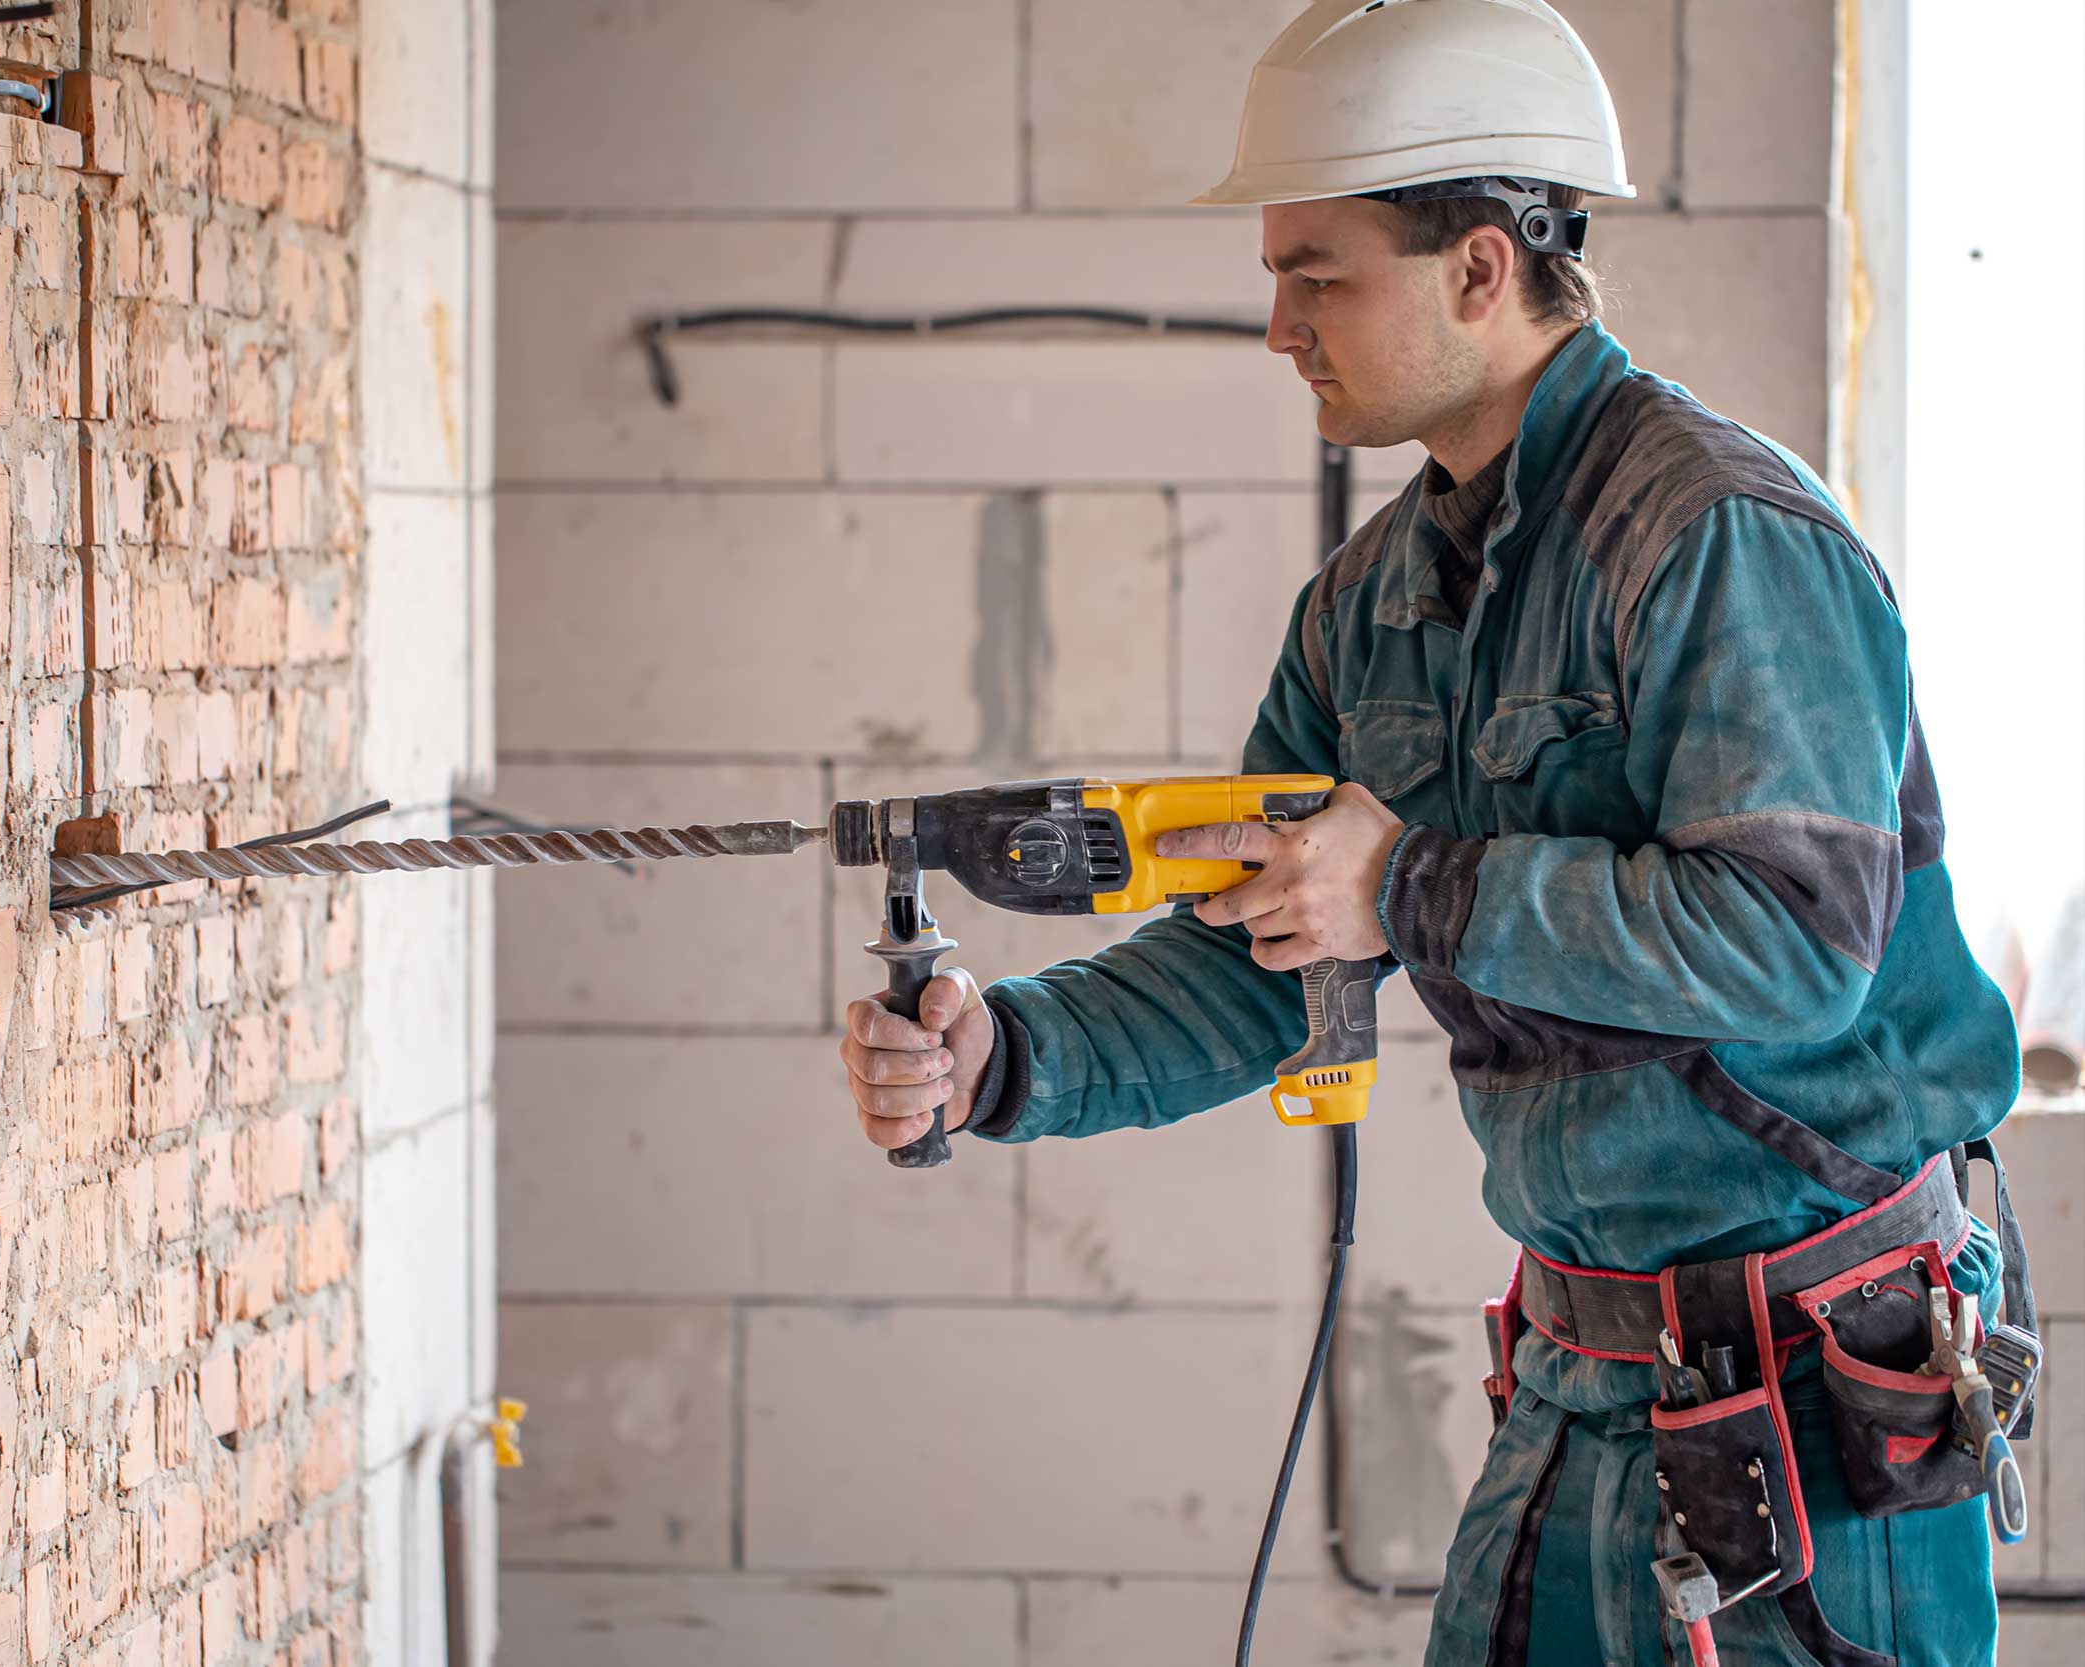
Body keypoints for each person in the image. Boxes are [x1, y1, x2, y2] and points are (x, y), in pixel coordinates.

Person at [835, 3, 2028, 1664]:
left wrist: (1408, 881)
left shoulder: (1717, 541)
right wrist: (1004, 1058)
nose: (1276, 327)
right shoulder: (1370, 606)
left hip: (1817, 1382)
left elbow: (1792, 944)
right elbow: (1264, 946)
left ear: (1480, 268)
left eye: (1317, 276)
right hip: (1580, 1365)